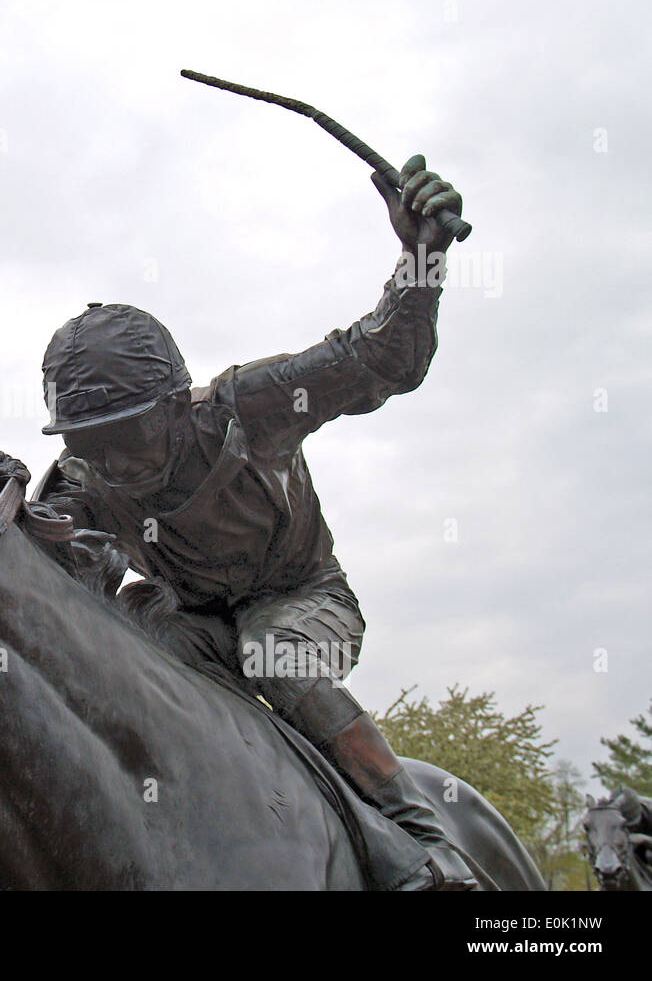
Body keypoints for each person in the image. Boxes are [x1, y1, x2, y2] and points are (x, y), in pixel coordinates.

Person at [33, 156, 476, 890]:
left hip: (302, 600)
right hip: (191, 620)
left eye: (126, 433)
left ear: (178, 405)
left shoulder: (251, 407)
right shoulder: (80, 484)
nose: (108, 462)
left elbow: (382, 358)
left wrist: (421, 258)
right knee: (127, 652)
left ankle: (421, 834)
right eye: (87, 444)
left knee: (271, 651)